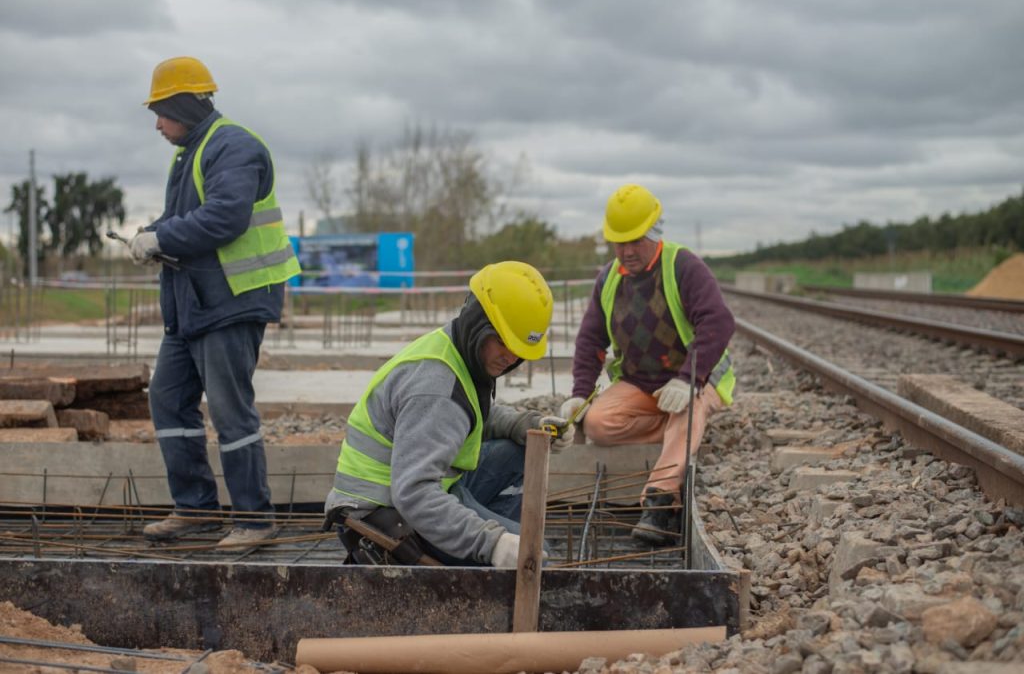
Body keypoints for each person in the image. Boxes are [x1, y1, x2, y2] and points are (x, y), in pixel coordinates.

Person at [132, 56, 301, 548]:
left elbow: (225, 219)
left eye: (162, 112)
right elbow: (183, 220)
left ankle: (254, 518)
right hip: (193, 303)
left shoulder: (233, 146)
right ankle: (196, 508)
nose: (158, 125)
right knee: (167, 397)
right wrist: (153, 235)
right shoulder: (190, 151)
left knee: (230, 409)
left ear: (185, 104)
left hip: (234, 299)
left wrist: (160, 236)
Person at [323, 262, 573, 566]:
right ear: (477, 322)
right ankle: (484, 557)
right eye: (503, 342)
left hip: (423, 489)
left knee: (518, 451)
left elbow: (468, 415)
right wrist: (491, 542)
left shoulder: (454, 348)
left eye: (519, 348)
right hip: (384, 517)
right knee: (535, 559)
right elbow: (414, 493)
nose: (511, 357)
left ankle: (490, 544)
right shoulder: (436, 388)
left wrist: (527, 424)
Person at [560, 184, 736, 546]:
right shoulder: (608, 279)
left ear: (654, 233)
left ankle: (659, 503)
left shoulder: (684, 267)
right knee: (597, 423)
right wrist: (580, 394)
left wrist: (689, 378)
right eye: (619, 243)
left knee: (688, 408)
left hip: (696, 378)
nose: (626, 251)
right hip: (641, 383)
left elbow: (718, 322)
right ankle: (681, 431)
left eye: (635, 241)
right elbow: (591, 339)